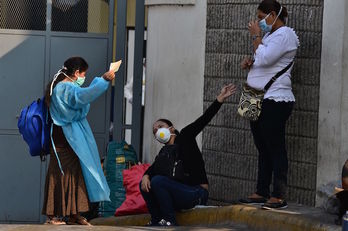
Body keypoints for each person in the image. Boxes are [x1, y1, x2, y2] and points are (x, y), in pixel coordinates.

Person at [140, 84, 237, 226]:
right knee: (145, 183)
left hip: (197, 193)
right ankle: (156, 220)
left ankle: (169, 221)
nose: (157, 131)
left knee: (158, 181)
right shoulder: (164, 152)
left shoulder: (185, 137)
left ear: (171, 128)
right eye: (155, 131)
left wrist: (219, 99)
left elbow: (204, 120)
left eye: (160, 127)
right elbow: (153, 169)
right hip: (180, 194)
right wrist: (146, 175)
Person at [239, 0, 299, 209]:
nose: (258, 22)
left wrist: (255, 36)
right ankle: (261, 191)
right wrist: (250, 62)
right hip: (255, 96)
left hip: (275, 98)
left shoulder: (286, 35)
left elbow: (265, 59)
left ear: (272, 15)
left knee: (275, 147)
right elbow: (262, 62)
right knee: (262, 147)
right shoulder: (270, 36)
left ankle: (278, 195)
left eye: (260, 17)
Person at [41, 57, 115, 225]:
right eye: (83, 74)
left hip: (66, 139)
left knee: (75, 174)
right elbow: (83, 96)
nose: (84, 77)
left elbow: (81, 95)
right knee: (60, 174)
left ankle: (73, 213)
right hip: (64, 140)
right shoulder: (64, 88)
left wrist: (99, 80)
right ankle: (53, 215)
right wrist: (102, 81)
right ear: (76, 73)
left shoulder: (62, 86)